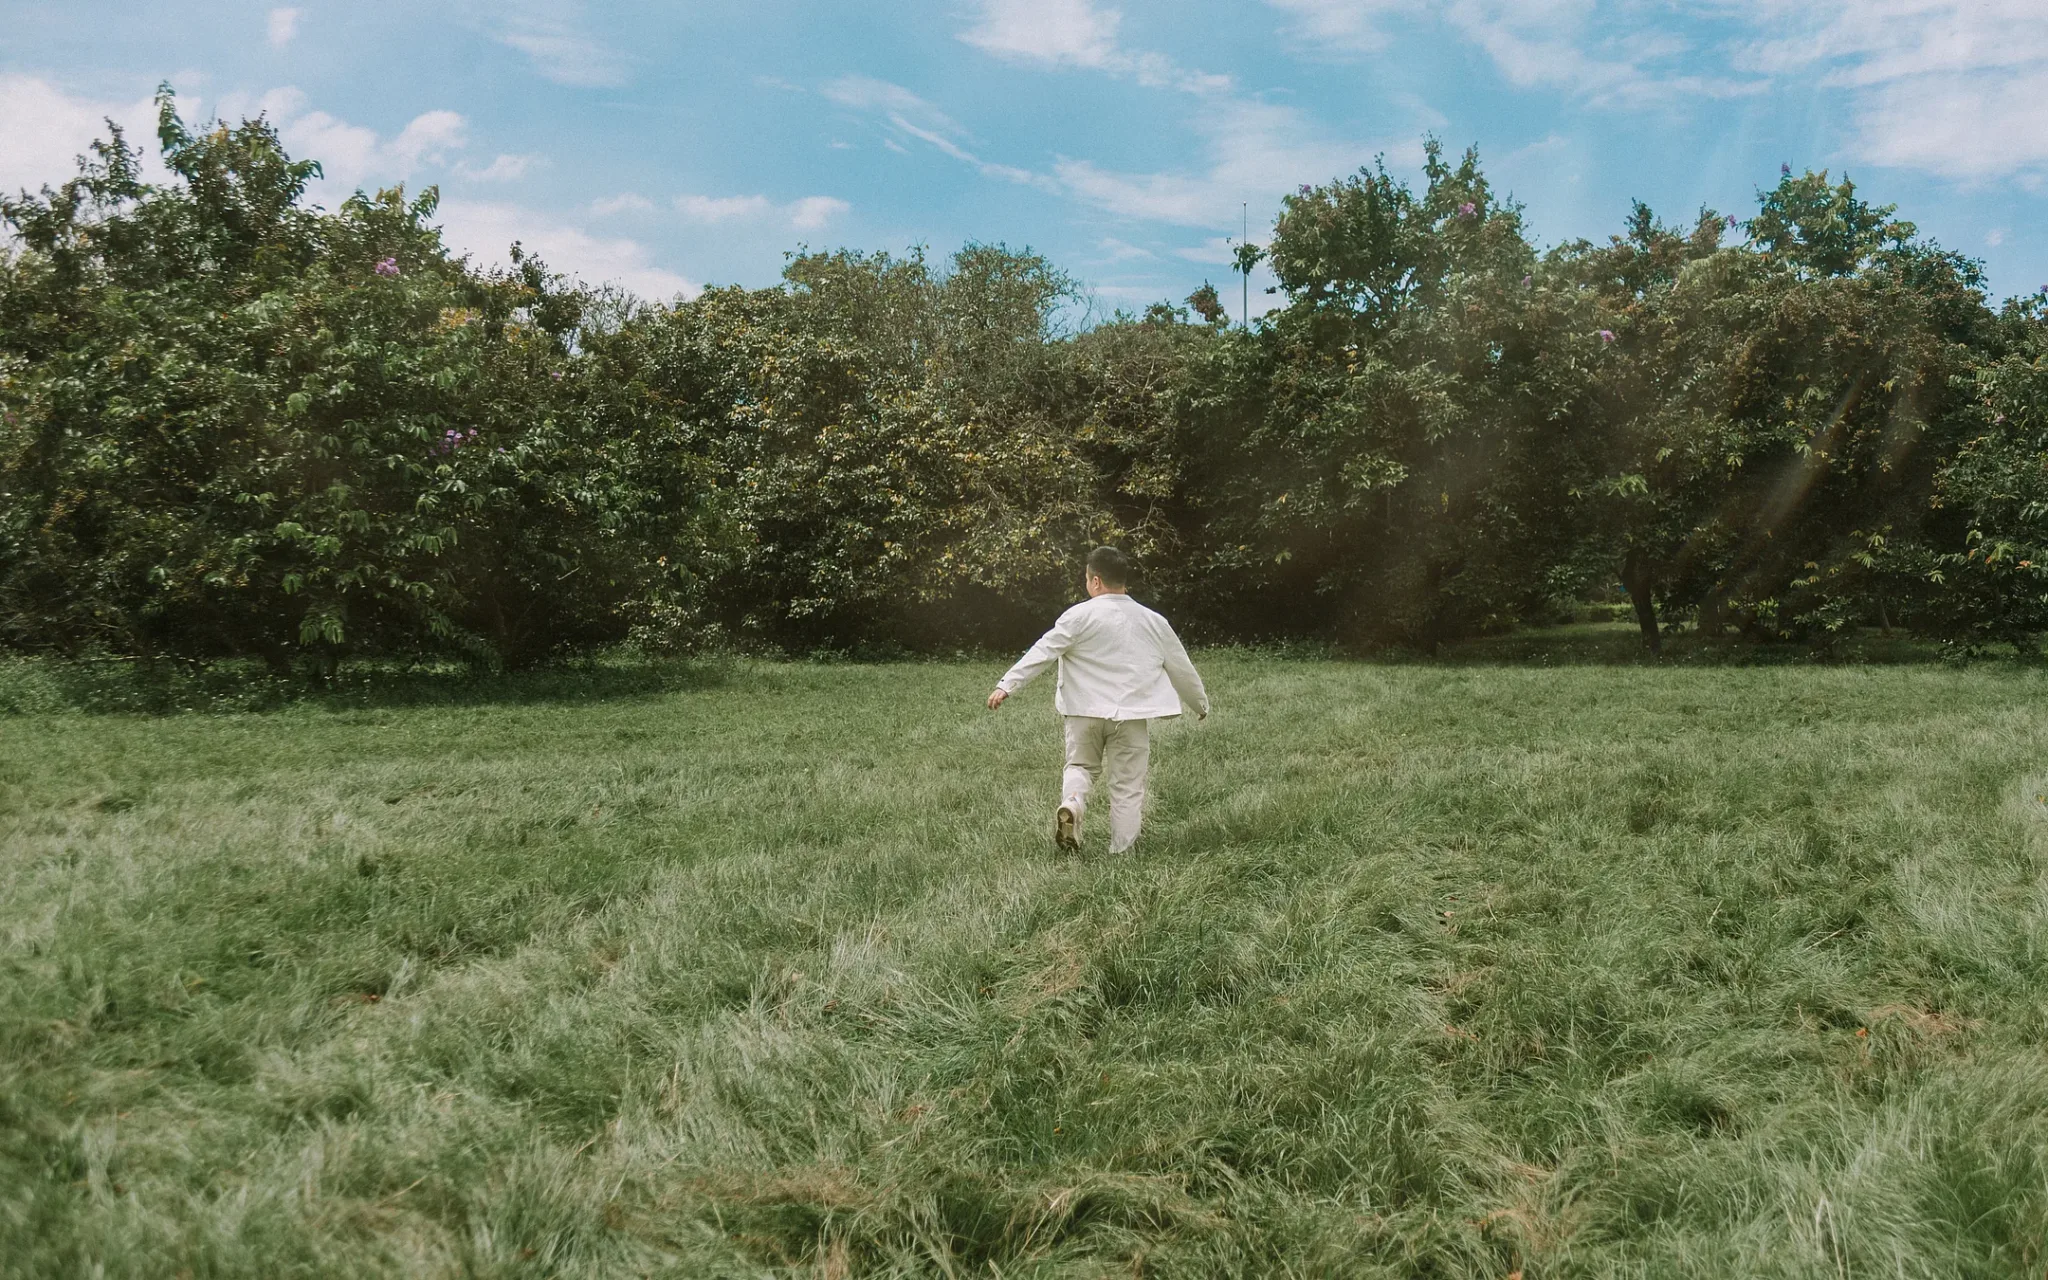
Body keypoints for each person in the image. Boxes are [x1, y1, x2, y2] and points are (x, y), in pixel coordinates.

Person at [987, 546, 1209, 853]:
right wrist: (1199, 703)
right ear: (1122, 580)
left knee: (1080, 766)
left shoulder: (1078, 616)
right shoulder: (1153, 621)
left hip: (1083, 712)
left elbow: (1043, 651)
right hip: (1131, 716)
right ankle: (1122, 850)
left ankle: (1073, 803)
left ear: (1095, 581)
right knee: (1127, 785)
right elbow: (1180, 666)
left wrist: (1007, 685)